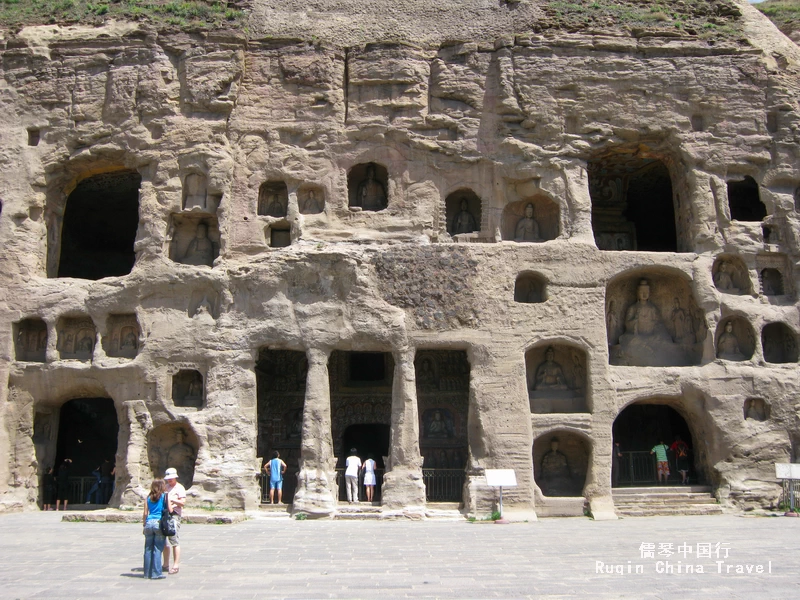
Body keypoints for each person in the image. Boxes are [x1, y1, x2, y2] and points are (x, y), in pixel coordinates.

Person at [142, 479, 170, 580]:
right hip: (159, 523)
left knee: (148, 549)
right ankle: (156, 573)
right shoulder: (164, 497)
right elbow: (169, 510)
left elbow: (145, 513)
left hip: (149, 523)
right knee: (157, 549)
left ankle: (147, 573)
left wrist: (144, 523)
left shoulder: (148, 497)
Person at [162, 468, 186, 575]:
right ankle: (165, 563)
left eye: (171, 479)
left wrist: (171, 499)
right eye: (168, 479)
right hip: (165, 514)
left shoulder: (179, 488)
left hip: (175, 515)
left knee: (174, 539)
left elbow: (182, 502)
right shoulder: (166, 487)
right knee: (163, 540)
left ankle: (175, 564)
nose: (169, 481)